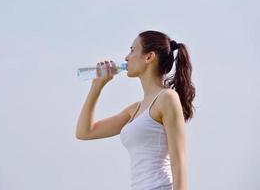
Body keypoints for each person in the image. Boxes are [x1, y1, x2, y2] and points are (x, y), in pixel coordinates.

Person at [75, 30, 196, 190]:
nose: (126, 57)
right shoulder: (135, 109)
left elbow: (178, 161)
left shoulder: (167, 98)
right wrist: (96, 87)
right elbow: (85, 132)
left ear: (149, 57)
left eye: (132, 50)